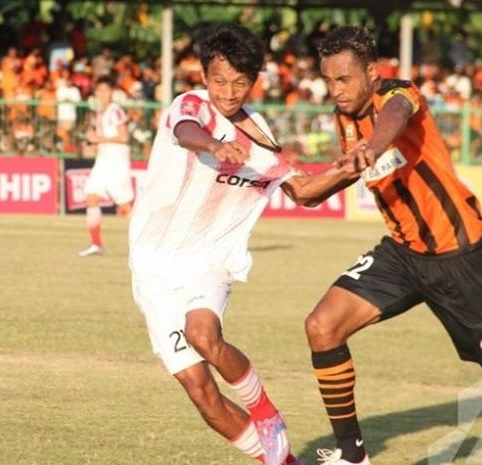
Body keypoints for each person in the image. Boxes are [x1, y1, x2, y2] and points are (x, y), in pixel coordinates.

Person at [128, 23, 358, 465]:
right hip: (153, 266)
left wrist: (352, 168)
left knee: (203, 335)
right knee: (202, 394)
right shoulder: (190, 105)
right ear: (204, 76)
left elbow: (303, 191)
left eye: (238, 82)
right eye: (219, 80)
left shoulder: (259, 136)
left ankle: (266, 413)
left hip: (210, 257)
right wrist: (216, 143)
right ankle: (283, 461)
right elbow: (186, 132)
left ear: (253, 81)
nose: (228, 92)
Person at [305, 26, 482, 465]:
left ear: (371, 72)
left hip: (459, 252)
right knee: (322, 326)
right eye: (329, 80)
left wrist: (373, 145)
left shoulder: (400, 95)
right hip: (401, 254)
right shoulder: (342, 117)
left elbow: (394, 118)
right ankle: (352, 457)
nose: (336, 89)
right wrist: (302, 188)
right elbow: (343, 173)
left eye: (344, 79)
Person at [78, 76, 134, 257]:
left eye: (105, 90)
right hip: (103, 160)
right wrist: (93, 146)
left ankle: (146, 243)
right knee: (91, 198)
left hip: (116, 162)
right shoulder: (100, 112)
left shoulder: (115, 111)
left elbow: (124, 137)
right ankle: (96, 244)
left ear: (111, 92)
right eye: (98, 91)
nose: (101, 94)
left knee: (125, 206)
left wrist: (98, 140)